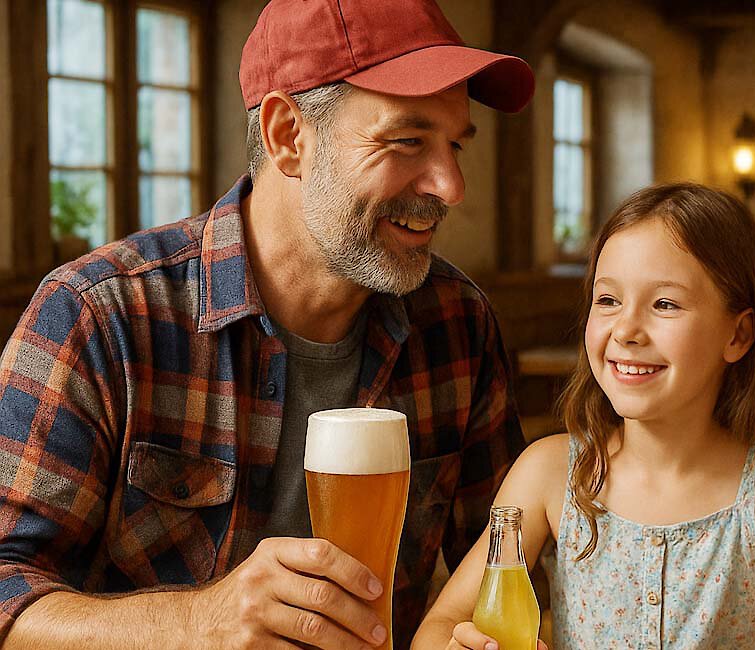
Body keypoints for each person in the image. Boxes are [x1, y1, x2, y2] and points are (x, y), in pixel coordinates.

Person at [0, 0, 534, 647]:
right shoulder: (99, 314)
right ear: (287, 136)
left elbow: (506, 564)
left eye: (454, 145)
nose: (451, 185)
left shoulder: (457, 322)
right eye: (407, 140)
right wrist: (194, 622)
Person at [413, 183, 755, 650]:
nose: (625, 329)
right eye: (608, 300)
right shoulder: (550, 472)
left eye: (665, 304)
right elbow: (438, 629)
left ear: (738, 335)